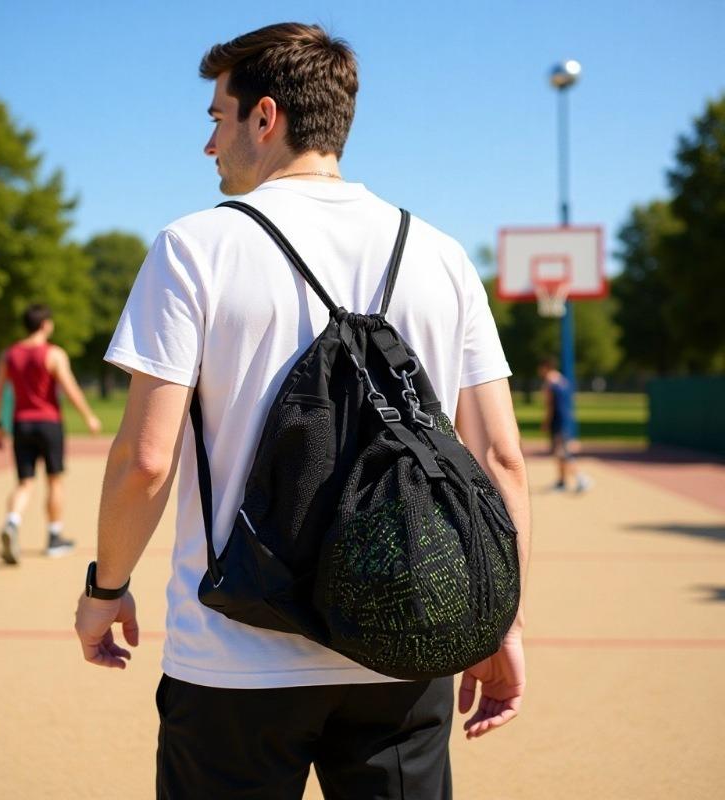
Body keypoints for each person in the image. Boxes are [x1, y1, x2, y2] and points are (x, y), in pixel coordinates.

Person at [74, 22, 531, 799]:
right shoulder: (443, 256)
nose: (209, 146)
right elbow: (499, 462)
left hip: (232, 655)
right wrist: (499, 623)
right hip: (405, 639)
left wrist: (105, 587)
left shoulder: (194, 248)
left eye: (216, 119)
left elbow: (147, 460)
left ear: (265, 116)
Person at [0, 303, 101, 564]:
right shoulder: (54, 354)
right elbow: (70, 388)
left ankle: (12, 522)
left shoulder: (9, 355)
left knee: (25, 482)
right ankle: (54, 538)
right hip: (49, 424)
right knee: (54, 480)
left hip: (21, 424)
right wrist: (89, 417)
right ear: (45, 325)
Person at [538, 356, 591, 492]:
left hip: (557, 421)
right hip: (566, 420)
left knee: (562, 452)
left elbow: (549, 406)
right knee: (559, 452)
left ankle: (581, 478)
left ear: (545, 367)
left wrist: (545, 422)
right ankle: (561, 481)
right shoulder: (563, 380)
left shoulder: (549, 383)